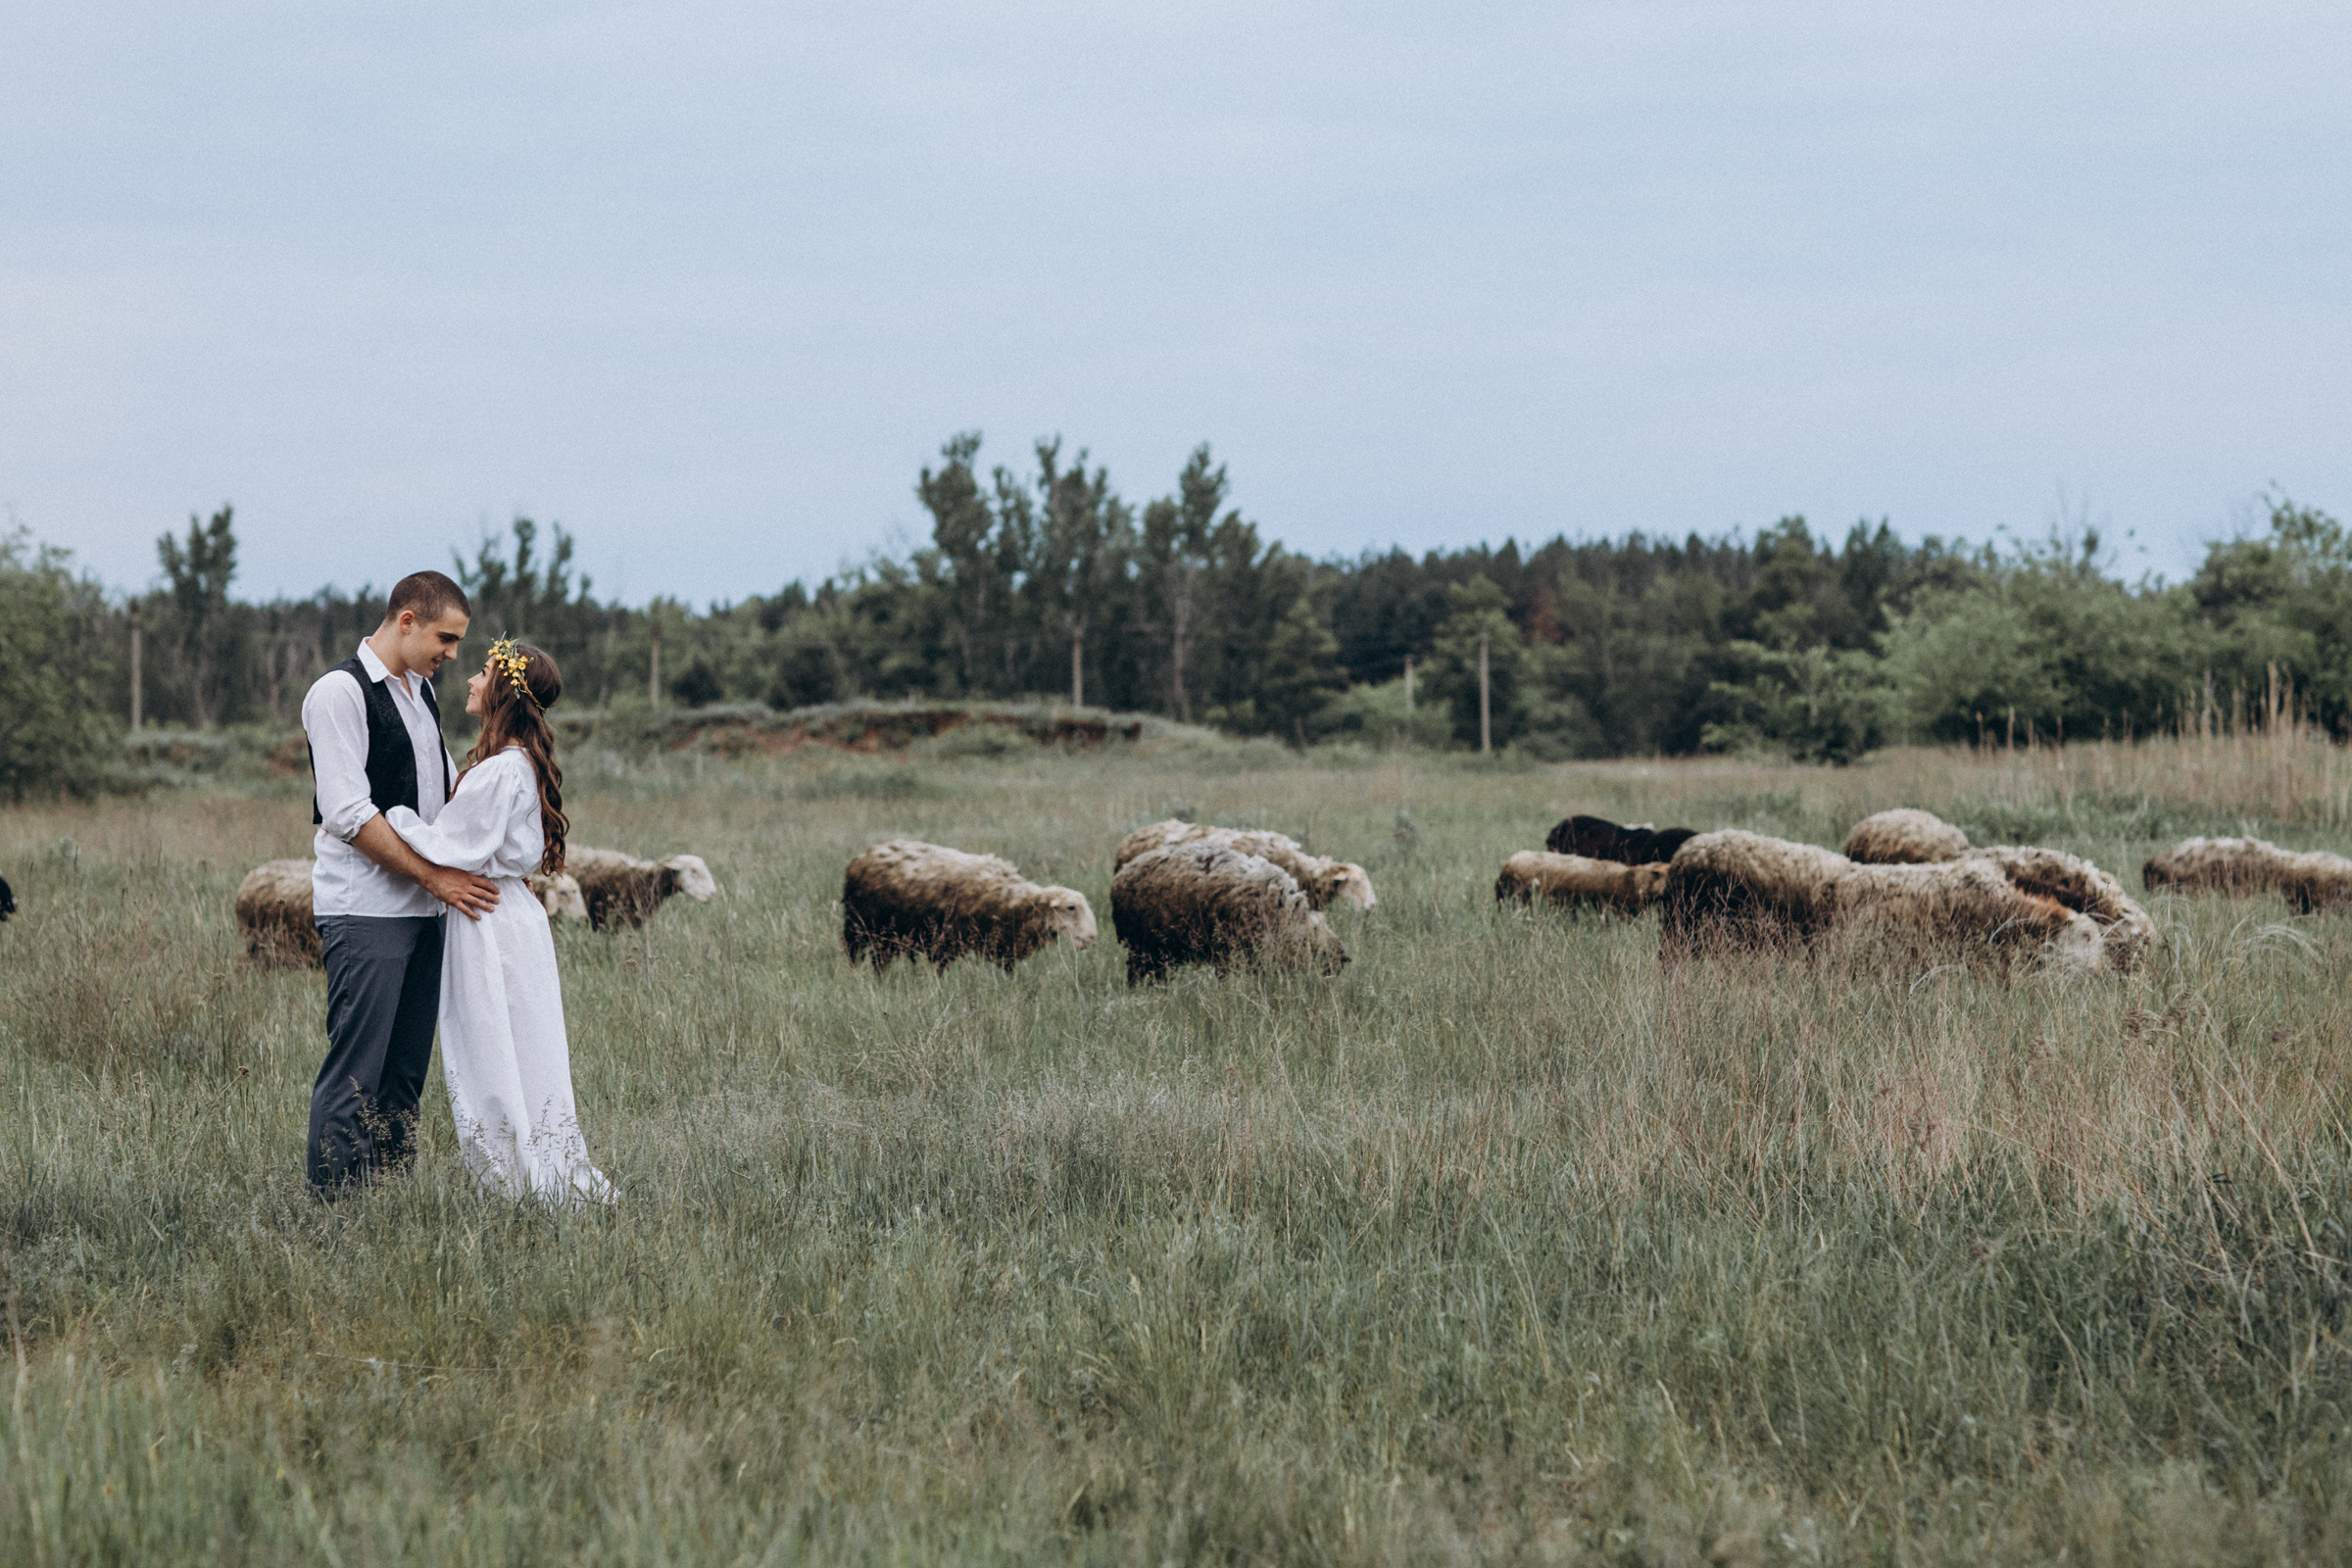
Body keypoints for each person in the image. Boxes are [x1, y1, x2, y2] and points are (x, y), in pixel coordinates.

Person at [385, 638, 614, 1203]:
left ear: (504, 689)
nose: (469, 679)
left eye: (483, 672)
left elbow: (449, 847)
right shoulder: (519, 763)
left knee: (490, 1051)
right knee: (526, 1046)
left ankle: (516, 1186)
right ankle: (541, 1170)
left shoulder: (499, 770)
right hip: (509, 912)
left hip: (485, 916)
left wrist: (391, 815)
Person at [302, 571, 500, 1193]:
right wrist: (435, 879)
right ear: (406, 620)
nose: (452, 655)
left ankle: (389, 1204)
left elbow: (439, 797)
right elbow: (349, 813)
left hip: (426, 913)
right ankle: (337, 1213)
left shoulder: (422, 693)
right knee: (357, 1071)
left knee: (406, 1073)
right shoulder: (339, 692)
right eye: (446, 638)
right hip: (365, 911)